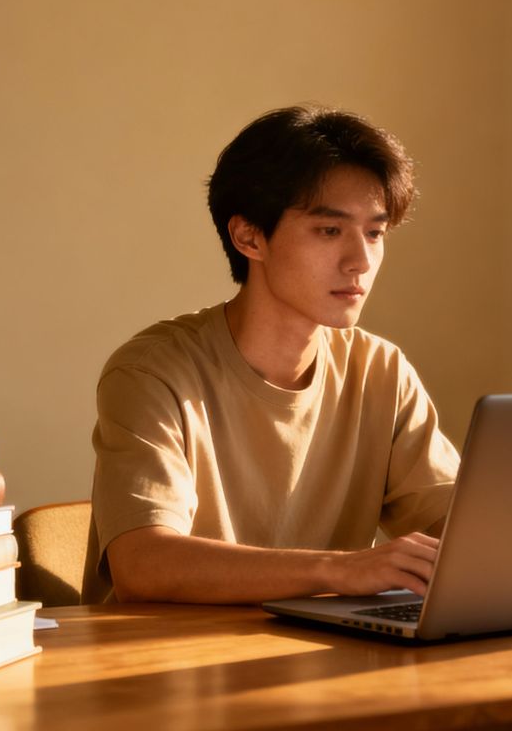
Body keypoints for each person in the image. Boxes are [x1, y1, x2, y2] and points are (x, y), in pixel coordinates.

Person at [81, 105, 460, 604]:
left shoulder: (381, 370)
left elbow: (465, 534)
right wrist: (342, 570)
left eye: (375, 232)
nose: (361, 262)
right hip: (165, 665)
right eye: (330, 231)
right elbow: (143, 561)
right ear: (248, 236)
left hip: (321, 662)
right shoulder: (153, 372)